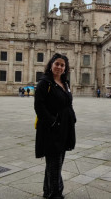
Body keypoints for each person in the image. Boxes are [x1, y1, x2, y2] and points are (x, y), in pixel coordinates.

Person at [35, 53, 76, 199]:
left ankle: (47, 191)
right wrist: (52, 122)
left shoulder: (65, 83)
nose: (59, 67)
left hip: (65, 127)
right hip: (51, 129)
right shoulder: (44, 83)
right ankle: (55, 194)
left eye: (62, 65)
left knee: (56, 162)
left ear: (65, 68)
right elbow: (38, 106)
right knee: (55, 164)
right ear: (51, 65)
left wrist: (72, 118)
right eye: (57, 64)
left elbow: (67, 103)